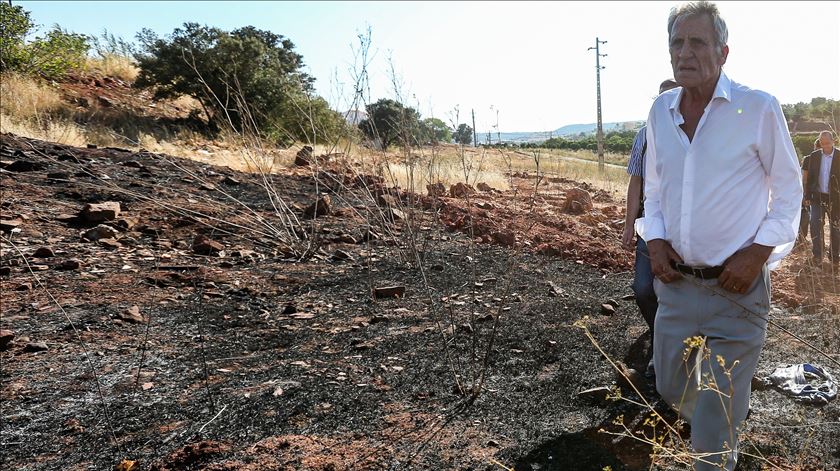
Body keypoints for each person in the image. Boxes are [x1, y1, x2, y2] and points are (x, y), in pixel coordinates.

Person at [635, 2, 802, 470]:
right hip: (678, 287)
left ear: (723, 52)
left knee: (710, 430)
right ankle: (724, 416)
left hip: (737, 289)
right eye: (676, 42)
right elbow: (655, 189)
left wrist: (759, 252)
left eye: (697, 42)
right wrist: (656, 239)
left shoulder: (758, 108)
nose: (684, 53)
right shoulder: (660, 112)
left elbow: (789, 192)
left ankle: (718, 431)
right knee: (670, 386)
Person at [621, 78, 679, 379]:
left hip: (682, 228)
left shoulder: (694, 134)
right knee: (643, 288)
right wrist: (629, 224)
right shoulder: (644, 136)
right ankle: (661, 335)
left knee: (673, 291)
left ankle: (663, 353)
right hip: (649, 225)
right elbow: (636, 183)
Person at [803, 130, 839, 267]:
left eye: (827, 143)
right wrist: (807, 196)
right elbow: (809, 178)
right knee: (815, 224)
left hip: (836, 199)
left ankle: (835, 257)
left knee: (835, 228)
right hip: (817, 197)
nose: (825, 146)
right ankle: (818, 254)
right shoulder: (814, 156)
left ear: (833, 142)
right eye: (822, 143)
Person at [798, 138, 821, 244]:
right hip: (812, 194)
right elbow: (804, 179)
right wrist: (804, 194)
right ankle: (803, 240)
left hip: (826, 195)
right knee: (809, 218)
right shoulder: (809, 159)